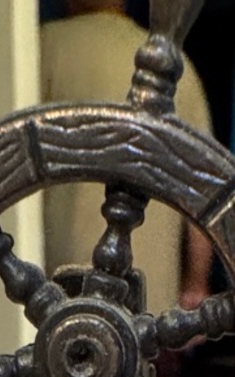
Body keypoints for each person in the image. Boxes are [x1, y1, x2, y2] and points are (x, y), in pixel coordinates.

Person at [39, 0, 214, 318]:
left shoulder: (42, 46)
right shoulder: (181, 68)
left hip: (55, 292)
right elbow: (201, 192)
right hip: (153, 302)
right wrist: (195, 288)